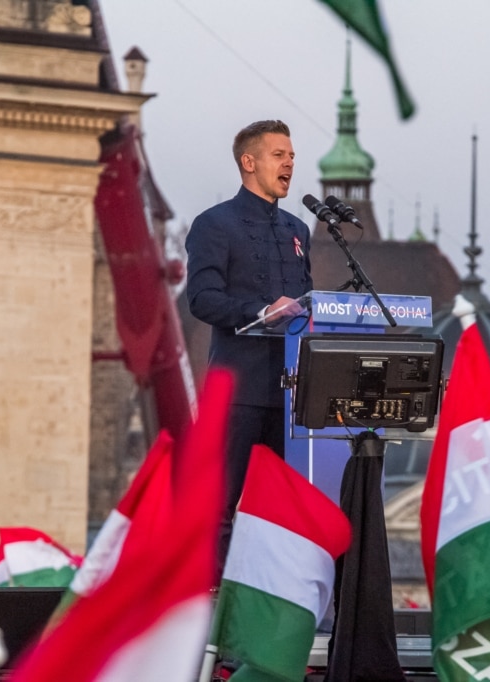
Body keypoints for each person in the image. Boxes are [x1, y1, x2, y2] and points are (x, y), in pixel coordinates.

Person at [185, 120, 313, 577]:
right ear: (249, 162)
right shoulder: (213, 224)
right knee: (219, 509)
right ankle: (212, 620)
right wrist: (261, 310)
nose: (290, 163)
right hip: (237, 389)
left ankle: (274, 612)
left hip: (291, 392)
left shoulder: (299, 228)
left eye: (292, 155)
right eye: (280, 154)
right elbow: (201, 298)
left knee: (282, 513)